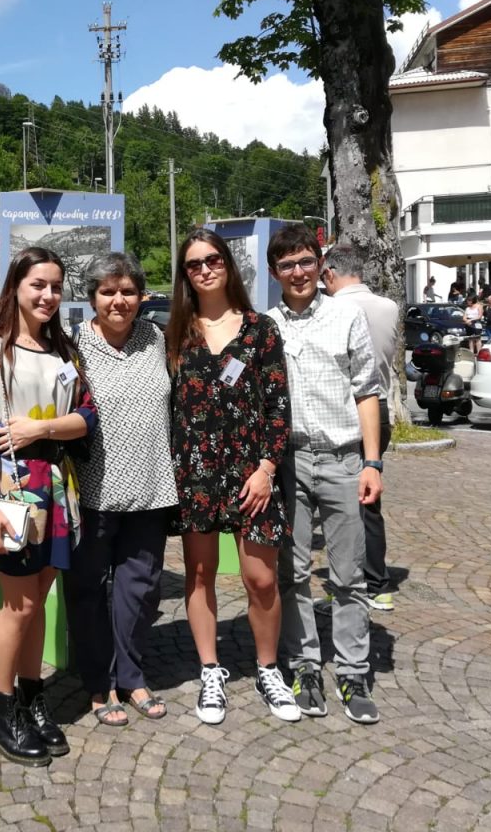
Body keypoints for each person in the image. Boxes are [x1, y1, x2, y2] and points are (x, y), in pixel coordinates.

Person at [0, 247, 97, 766]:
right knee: (18, 606)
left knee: (37, 601)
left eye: (56, 286)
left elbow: (87, 417)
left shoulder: (65, 349)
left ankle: (33, 699)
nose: (48, 296)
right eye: (38, 284)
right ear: (15, 286)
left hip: (58, 490)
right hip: (13, 492)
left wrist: (43, 427)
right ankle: (1, 708)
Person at [168, 230, 299, 725]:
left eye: (212, 259)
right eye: (194, 264)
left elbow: (278, 407)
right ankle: (210, 670)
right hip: (196, 472)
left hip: (251, 473)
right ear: (186, 275)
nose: (204, 269)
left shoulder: (260, 330)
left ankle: (268, 669)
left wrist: (267, 468)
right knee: (199, 575)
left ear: (227, 264)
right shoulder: (177, 332)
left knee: (260, 578)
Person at [266, 223, 384, 725]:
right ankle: (306, 666)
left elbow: (367, 391)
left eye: (305, 261)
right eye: (287, 264)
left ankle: (353, 671)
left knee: (348, 575)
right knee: (290, 574)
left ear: (321, 265)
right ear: (275, 273)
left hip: (342, 460)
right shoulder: (265, 325)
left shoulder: (346, 317)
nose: (298, 272)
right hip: (288, 463)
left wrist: (372, 463)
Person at [65, 252, 177, 728]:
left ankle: (131, 676)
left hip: (152, 490)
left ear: (141, 296)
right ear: (92, 296)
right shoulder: (73, 348)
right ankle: (98, 682)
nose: (119, 300)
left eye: (128, 291)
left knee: (142, 590)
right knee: (88, 591)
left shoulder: (156, 338)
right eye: (108, 291)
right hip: (94, 491)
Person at [322, 243, 398, 613]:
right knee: (370, 499)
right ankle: (378, 580)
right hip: (380, 407)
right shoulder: (389, 306)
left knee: (341, 503)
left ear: (330, 273)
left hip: (346, 410)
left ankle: (353, 583)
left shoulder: (334, 309)